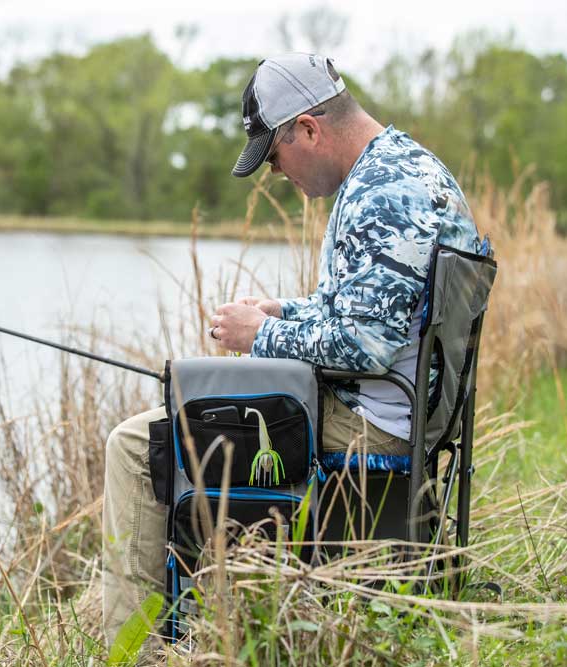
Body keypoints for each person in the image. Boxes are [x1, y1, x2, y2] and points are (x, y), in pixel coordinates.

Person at [101, 52, 481, 646]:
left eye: (274, 156)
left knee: (134, 445)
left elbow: (366, 344)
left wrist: (259, 336)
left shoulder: (383, 194)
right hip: (396, 409)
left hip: (371, 423)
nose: (276, 173)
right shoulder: (404, 169)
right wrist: (286, 311)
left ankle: (135, 654)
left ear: (309, 128)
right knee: (183, 410)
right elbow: (371, 310)